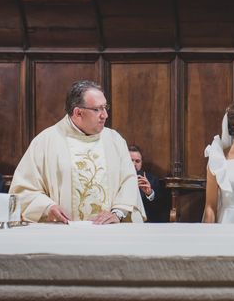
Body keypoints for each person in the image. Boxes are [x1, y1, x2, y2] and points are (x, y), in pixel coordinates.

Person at [10, 80, 145, 224]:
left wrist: (118, 213)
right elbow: (23, 189)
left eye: (105, 108)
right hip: (63, 234)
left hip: (108, 234)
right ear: (78, 112)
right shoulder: (45, 141)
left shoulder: (115, 141)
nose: (105, 115)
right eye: (97, 109)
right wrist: (47, 207)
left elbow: (128, 181)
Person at [129, 145, 165, 222]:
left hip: (145, 222)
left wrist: (150, 193)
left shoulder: (152, 180)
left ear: (141, 163)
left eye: (137, 161)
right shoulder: (118, 178)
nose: (134, 164)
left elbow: (160, 209)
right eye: (131, 160)